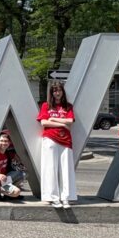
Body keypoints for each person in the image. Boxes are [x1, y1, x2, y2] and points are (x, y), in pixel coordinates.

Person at [38, 81, 76, 209]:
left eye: (59, 90)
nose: (57, 93)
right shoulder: (46, 106)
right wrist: (62, 124)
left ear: (62, 92)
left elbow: (70, 121)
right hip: (50, 139)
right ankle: (53, 198)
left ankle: (66, 198)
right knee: (50, 169)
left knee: (66, 169)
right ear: (51, 93)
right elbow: (43, 123)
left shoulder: (68, 106)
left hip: (66, 140)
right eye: (54, 91)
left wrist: (53, 119)